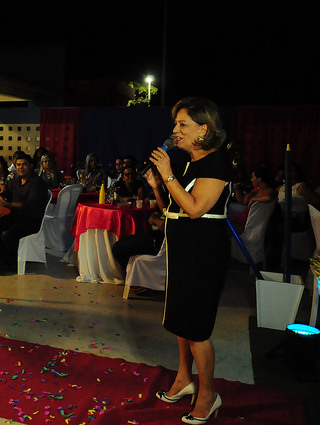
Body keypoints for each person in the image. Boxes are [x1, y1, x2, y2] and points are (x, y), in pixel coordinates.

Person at [144, 97, 232, 424]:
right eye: (175, 123)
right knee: (182, 321)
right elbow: (176, 204)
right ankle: (184, 380)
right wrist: (159, 185)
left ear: (203, 129)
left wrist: (167, 173)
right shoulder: (188, 163)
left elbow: (196, 209)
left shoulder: (217, 163)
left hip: (204, 255)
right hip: (183, 252)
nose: (175, 130)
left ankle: (208, 395)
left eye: (183, 124)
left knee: (197, 327)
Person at [0, 152, 49, 275]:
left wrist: (8, 204)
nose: (20, 168)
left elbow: (29, 205)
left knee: (9, 235)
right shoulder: (16, 181)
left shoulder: (37, 182)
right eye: (18, 165)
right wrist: (0, 198)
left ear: (31, 166)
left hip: (32, 219)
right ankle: (6, 262)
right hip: (16, 216)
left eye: (24, 165)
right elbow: (6, 193)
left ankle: (10, 265)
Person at [229, 165, 275, 233]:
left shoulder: (270, 191)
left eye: (253, 177)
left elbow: (270, 198)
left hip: (247, 225)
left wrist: (254, 198)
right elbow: (243, 201)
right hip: (241, 219)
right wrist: (236, 190)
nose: (251, 179)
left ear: (259, 179)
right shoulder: (256, 190)